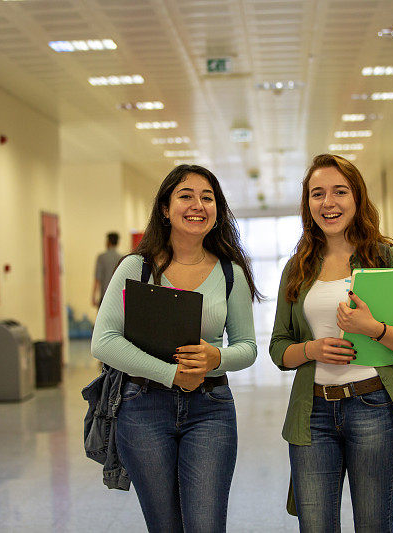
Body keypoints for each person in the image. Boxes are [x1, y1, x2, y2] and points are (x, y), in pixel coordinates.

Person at [91, 164, 260, 533]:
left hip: (210, 409)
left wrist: (218, 357)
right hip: (143, 408)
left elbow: (247, 347)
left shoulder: (230, 272)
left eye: (207, 197)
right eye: (186, 195)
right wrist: (171, 373)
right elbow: (103, 341)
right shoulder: (136, 268)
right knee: (164, 526)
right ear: (165, 209)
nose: (197, 204)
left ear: (217, 212)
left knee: (205, 525)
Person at [269, 154, 393, 532]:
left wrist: (373, 327)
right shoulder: (298, 268)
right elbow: (279, 346)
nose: (329, 203)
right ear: (307, 205)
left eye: (340, 191)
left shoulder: (389, 259)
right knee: (315, 525)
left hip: (376, 407)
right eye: (317, 194)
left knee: (373, 524)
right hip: (313, 413)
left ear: (357, 198)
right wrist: (310, 350)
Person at [92, 232, 121, 307]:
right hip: (118, 297)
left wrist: (93, 296)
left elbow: (97, 278)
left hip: (105, 297)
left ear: (108, 242)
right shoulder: (121, 258)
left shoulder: (101, 257)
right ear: (118, 243)